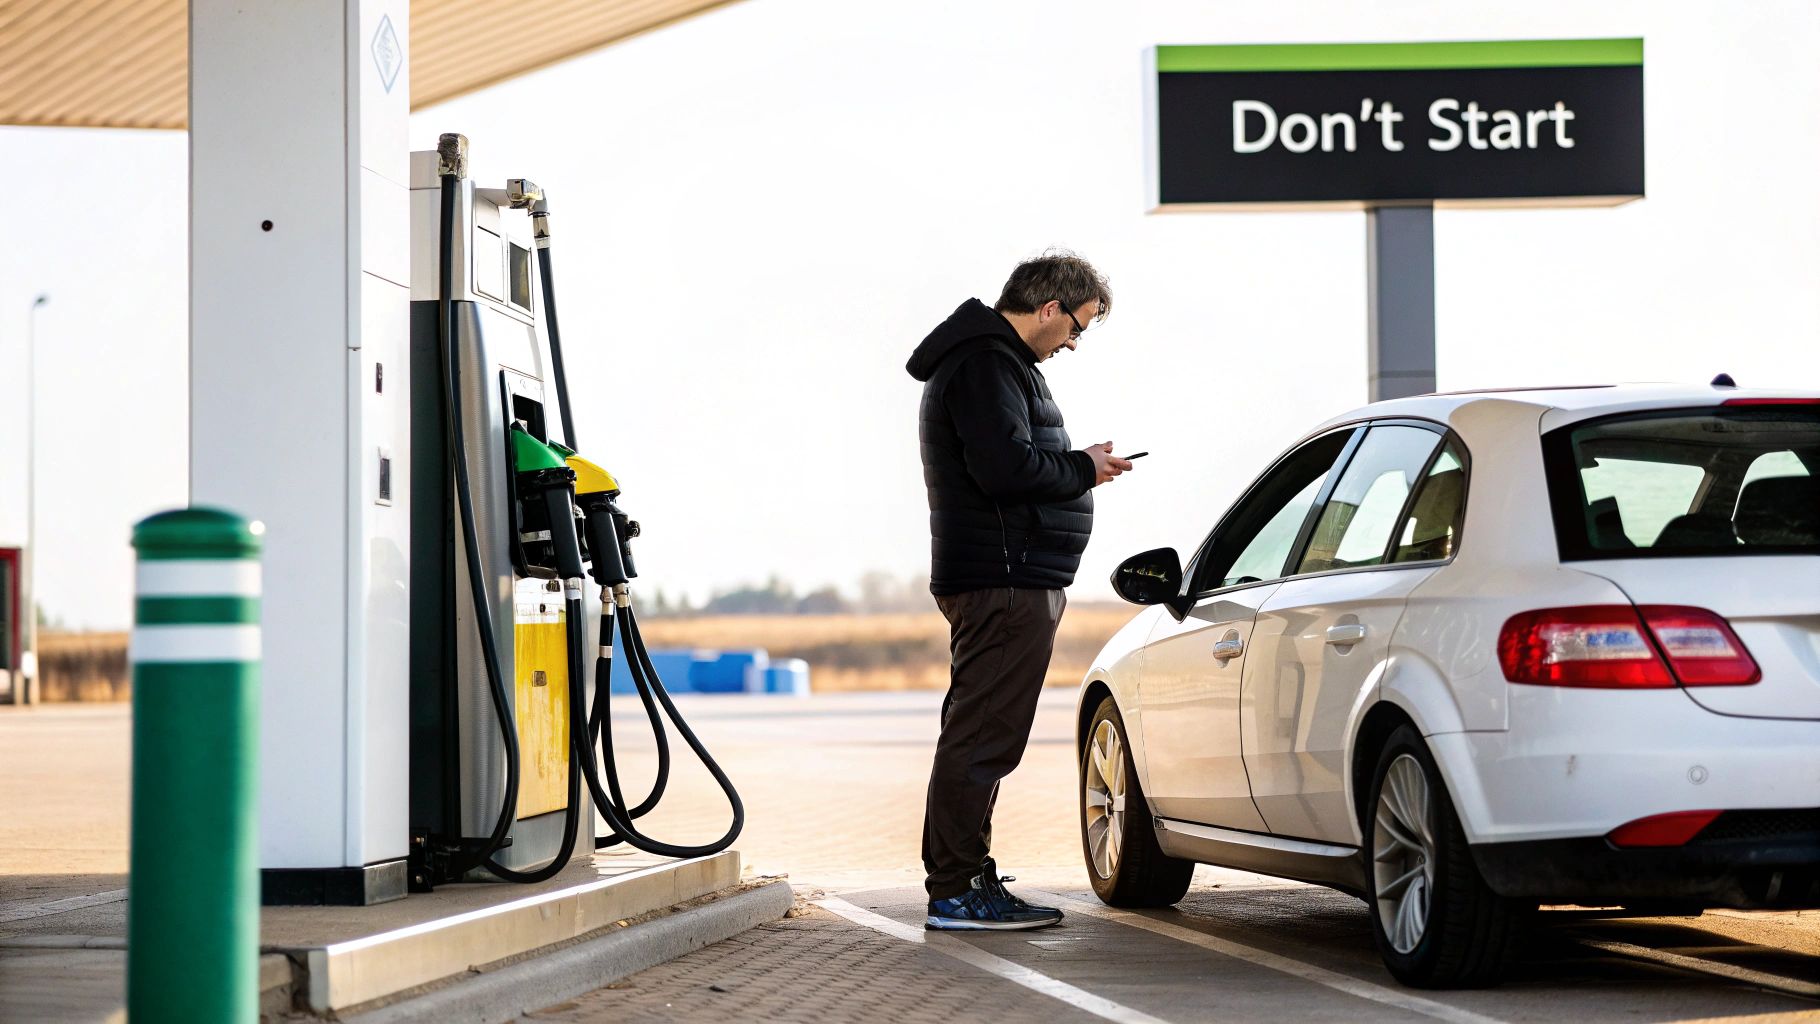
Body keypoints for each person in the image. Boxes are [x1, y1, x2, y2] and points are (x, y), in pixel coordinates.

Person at [905, 250, 1130, 930]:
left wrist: (1073, 466)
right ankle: (955, 890)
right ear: (1050, 307)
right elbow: (1006, 469)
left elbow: (1011, 460)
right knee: (982, 739)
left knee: (985, 736)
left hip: (1010, 581)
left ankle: (969, 878)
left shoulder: (995, 363)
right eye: (1077, 327)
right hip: (1002, 583)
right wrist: (1081, 468)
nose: (1073, 343)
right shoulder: (985, 365)